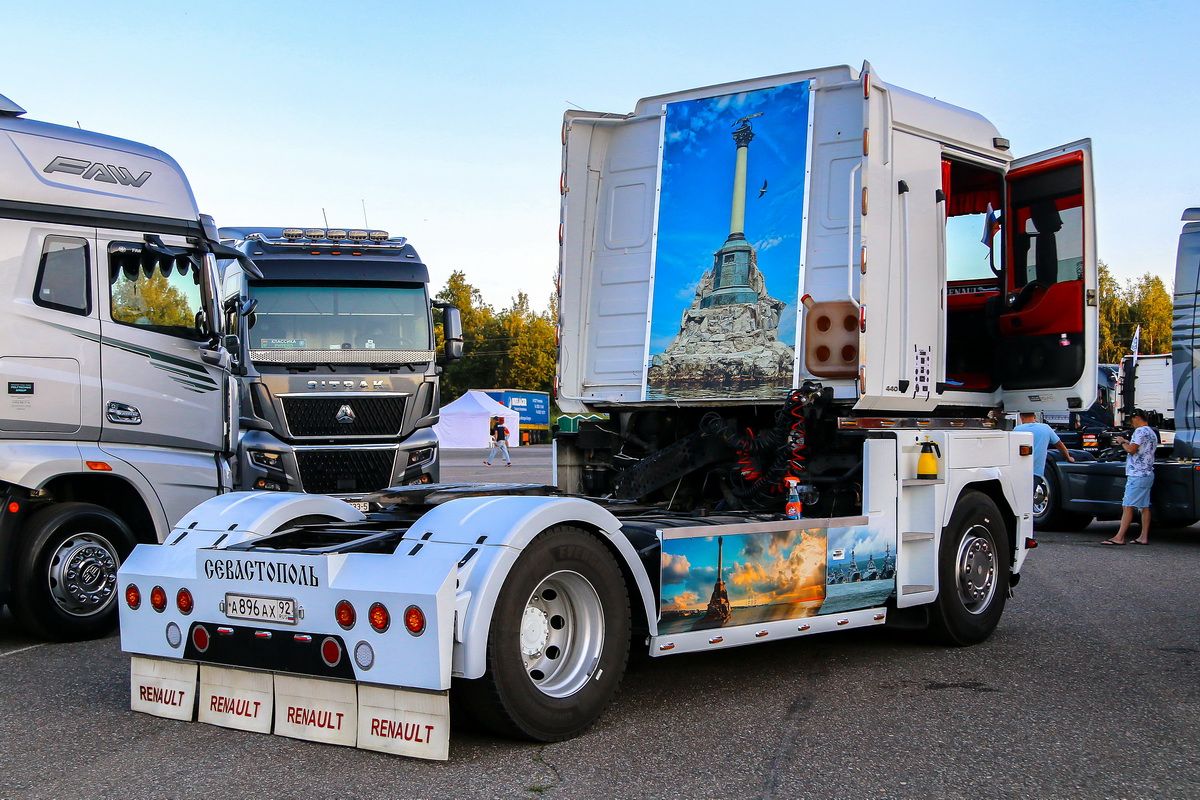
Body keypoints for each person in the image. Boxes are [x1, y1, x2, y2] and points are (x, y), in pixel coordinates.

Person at [1102, 409, 1158, 545]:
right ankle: (1143, 537)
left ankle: (1119, 537)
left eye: (1132, 421)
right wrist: (1129, 441)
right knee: (1144, 507)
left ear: (1137, 418)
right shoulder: (1152, 432)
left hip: (1137, 473)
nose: (1132, 424)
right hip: (1148, 473)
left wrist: (1122, 442)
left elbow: (1131, 450)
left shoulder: (1139, 432)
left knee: (1127, 506)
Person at [1014, 411, 1074, 482]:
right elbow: (1059, 445)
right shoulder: (1046, 428)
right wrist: (1068, 457)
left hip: (1020, 470)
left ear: (1021, 417)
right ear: (1035, 417)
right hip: (1036, 470)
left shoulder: (1017, 429)